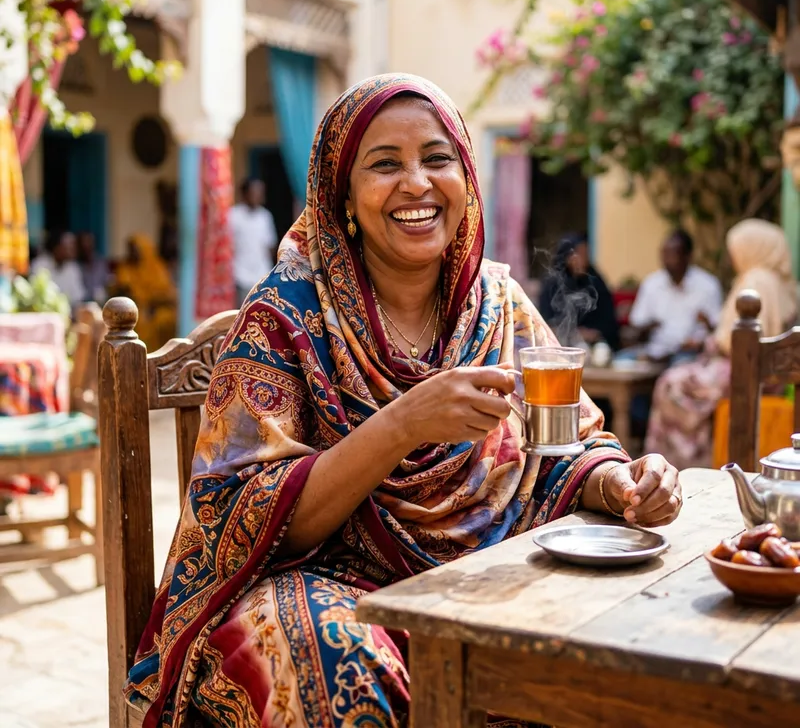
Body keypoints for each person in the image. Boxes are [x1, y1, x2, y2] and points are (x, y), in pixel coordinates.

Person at [125, 74, 682, 727]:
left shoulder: (499, 305)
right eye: (384, 164)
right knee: (331, 658)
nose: (416, 183)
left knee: (639, 626)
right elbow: (242, 522)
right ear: (345, 199)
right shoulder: (284, 319)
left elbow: (566, 453)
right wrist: (402, 424)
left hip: (481, 581)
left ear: (465, 180)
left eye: (437, 159)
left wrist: (623, 484)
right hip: (332, 582)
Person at [645, 219, 797, 470]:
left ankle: (680, 463)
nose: (731, 257)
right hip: (761, 375)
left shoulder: (756, 281)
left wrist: (711, 342)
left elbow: (736, 342)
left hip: (741, 371)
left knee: (670, 384)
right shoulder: (780, 283)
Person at [625, 229, 723, 365]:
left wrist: (703, 334)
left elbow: (717, 331)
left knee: (680, 364)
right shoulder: (652, 284)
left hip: (689, 354)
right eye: (664, 254)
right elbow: (637, 323)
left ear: (688, 256)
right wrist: (648, 327)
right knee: (622, 361)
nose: (667, 260)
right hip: (655, 351)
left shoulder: (708, 286)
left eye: (672, 254)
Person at [538, 232, 619, 350]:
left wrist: (594, 333)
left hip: (594, 346)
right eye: (578, 254)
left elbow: (608, 320)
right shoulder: (552, 283)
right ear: (566, 256)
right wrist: (573, 334)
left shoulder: (595, 280)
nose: (583, 260)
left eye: (585, 254)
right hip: (561, 347)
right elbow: (545, 323)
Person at [112, 234, 177, 351]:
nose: (132, 253)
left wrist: (154, 304)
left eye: (135, 249)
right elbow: (124, 290)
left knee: (165, 319)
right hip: (135, 307)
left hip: (158, 307)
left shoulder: (157, 268)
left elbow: (167, 294)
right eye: (130, 249)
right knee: (139, 322)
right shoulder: (126, 268)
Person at [229, 177, 278, 305]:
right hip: (240, 275)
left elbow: (270, 245)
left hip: (261, 275)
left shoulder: (265, 217)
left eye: (260, 192)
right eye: (254, 192)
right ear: (245, 193)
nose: (258, 196)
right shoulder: (234, 215)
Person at [30, 229, 86, 308]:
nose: (73, 249)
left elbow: (78, 298)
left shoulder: (73, 268)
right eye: (68, 246)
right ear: (57, 247)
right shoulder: (39, 265)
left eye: (73, 246)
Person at [77, 231, 109, 304]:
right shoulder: (75, 266)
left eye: (89, 242)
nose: (86, 245)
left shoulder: (100, 263)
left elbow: (106, 282)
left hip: (101, 303)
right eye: (83, 243)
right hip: (82, 304)